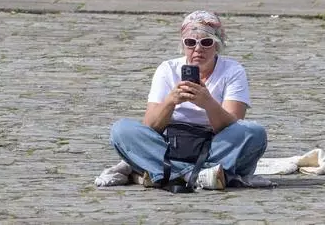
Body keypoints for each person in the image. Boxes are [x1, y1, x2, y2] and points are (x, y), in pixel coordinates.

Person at [109, 10, 267, 190]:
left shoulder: (232, 71)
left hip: (215, 144)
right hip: (171, 144)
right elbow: (150, 126)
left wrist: (208, 103)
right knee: (121, 130)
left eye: (206, 42)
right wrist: (170, 101)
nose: (198, 49)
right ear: (183, 45)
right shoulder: (167, 69)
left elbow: (234, 125)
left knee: (254, 133)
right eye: (190, 43)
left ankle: (164, 173)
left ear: (217, 45)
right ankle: (199, 175)